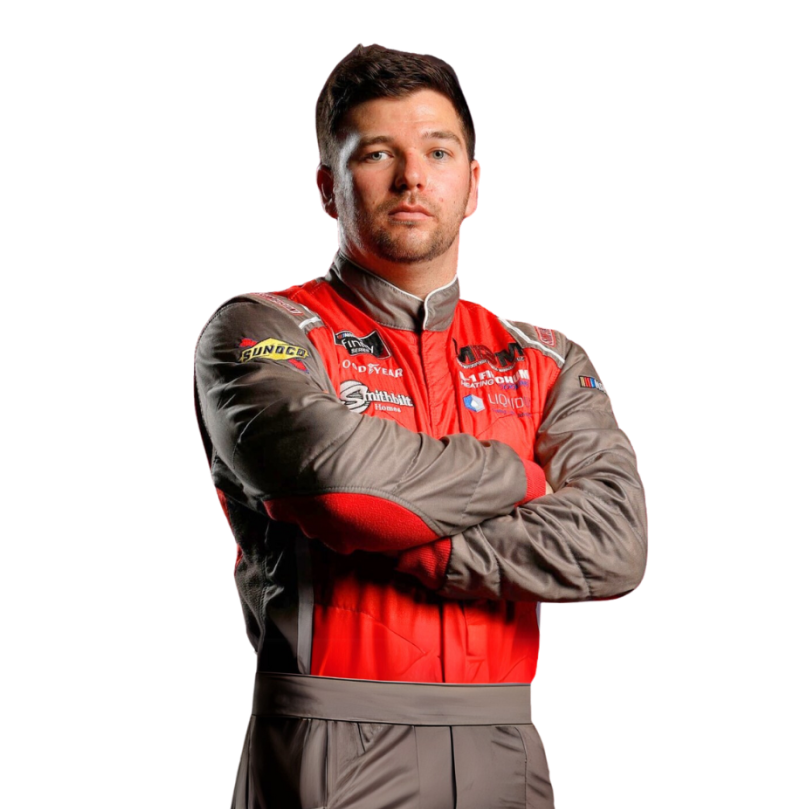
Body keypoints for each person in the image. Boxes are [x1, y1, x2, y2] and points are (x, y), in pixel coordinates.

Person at [193, 43, 647, 809]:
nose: (411, 177)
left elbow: (616, 545)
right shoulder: (261, 328)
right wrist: (523, 478)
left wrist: (397, 537)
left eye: (437, 151)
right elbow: (341, 492)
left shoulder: (546, 356)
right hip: (326, 737)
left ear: (472, 185)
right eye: (377, 154)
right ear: (326, 188)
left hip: (509, 742)